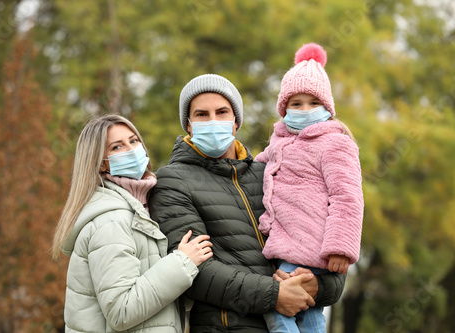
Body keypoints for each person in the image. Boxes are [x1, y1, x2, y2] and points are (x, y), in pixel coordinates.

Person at [148, 74, 346, 333]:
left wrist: (318, 286)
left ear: (235, 122)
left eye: (222, 112)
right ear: (188, 124)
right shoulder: (172, 181)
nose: (213, 121)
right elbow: (194, 272)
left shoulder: (268, 173)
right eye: (202, 115)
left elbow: (320, 244)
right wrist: (276, 295)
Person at [51, 114, 213, 333]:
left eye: (134, 140)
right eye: (117, 147)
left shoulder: (143, 210)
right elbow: (121, 311)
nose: (131, 149)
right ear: (100, 164)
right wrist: (182, 263)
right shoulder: (111, 221)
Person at [256, 43, 364, 333]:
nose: (305, 110)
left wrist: (341, 247)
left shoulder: (334, 143)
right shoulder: (278, 142)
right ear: (284, 108)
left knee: (277, 311)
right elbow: (259, 165)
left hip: (311, 246)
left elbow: (347, 197)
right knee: (310, 314)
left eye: (313, 103)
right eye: (296, 103)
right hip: (285, 244)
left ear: (327, 107)